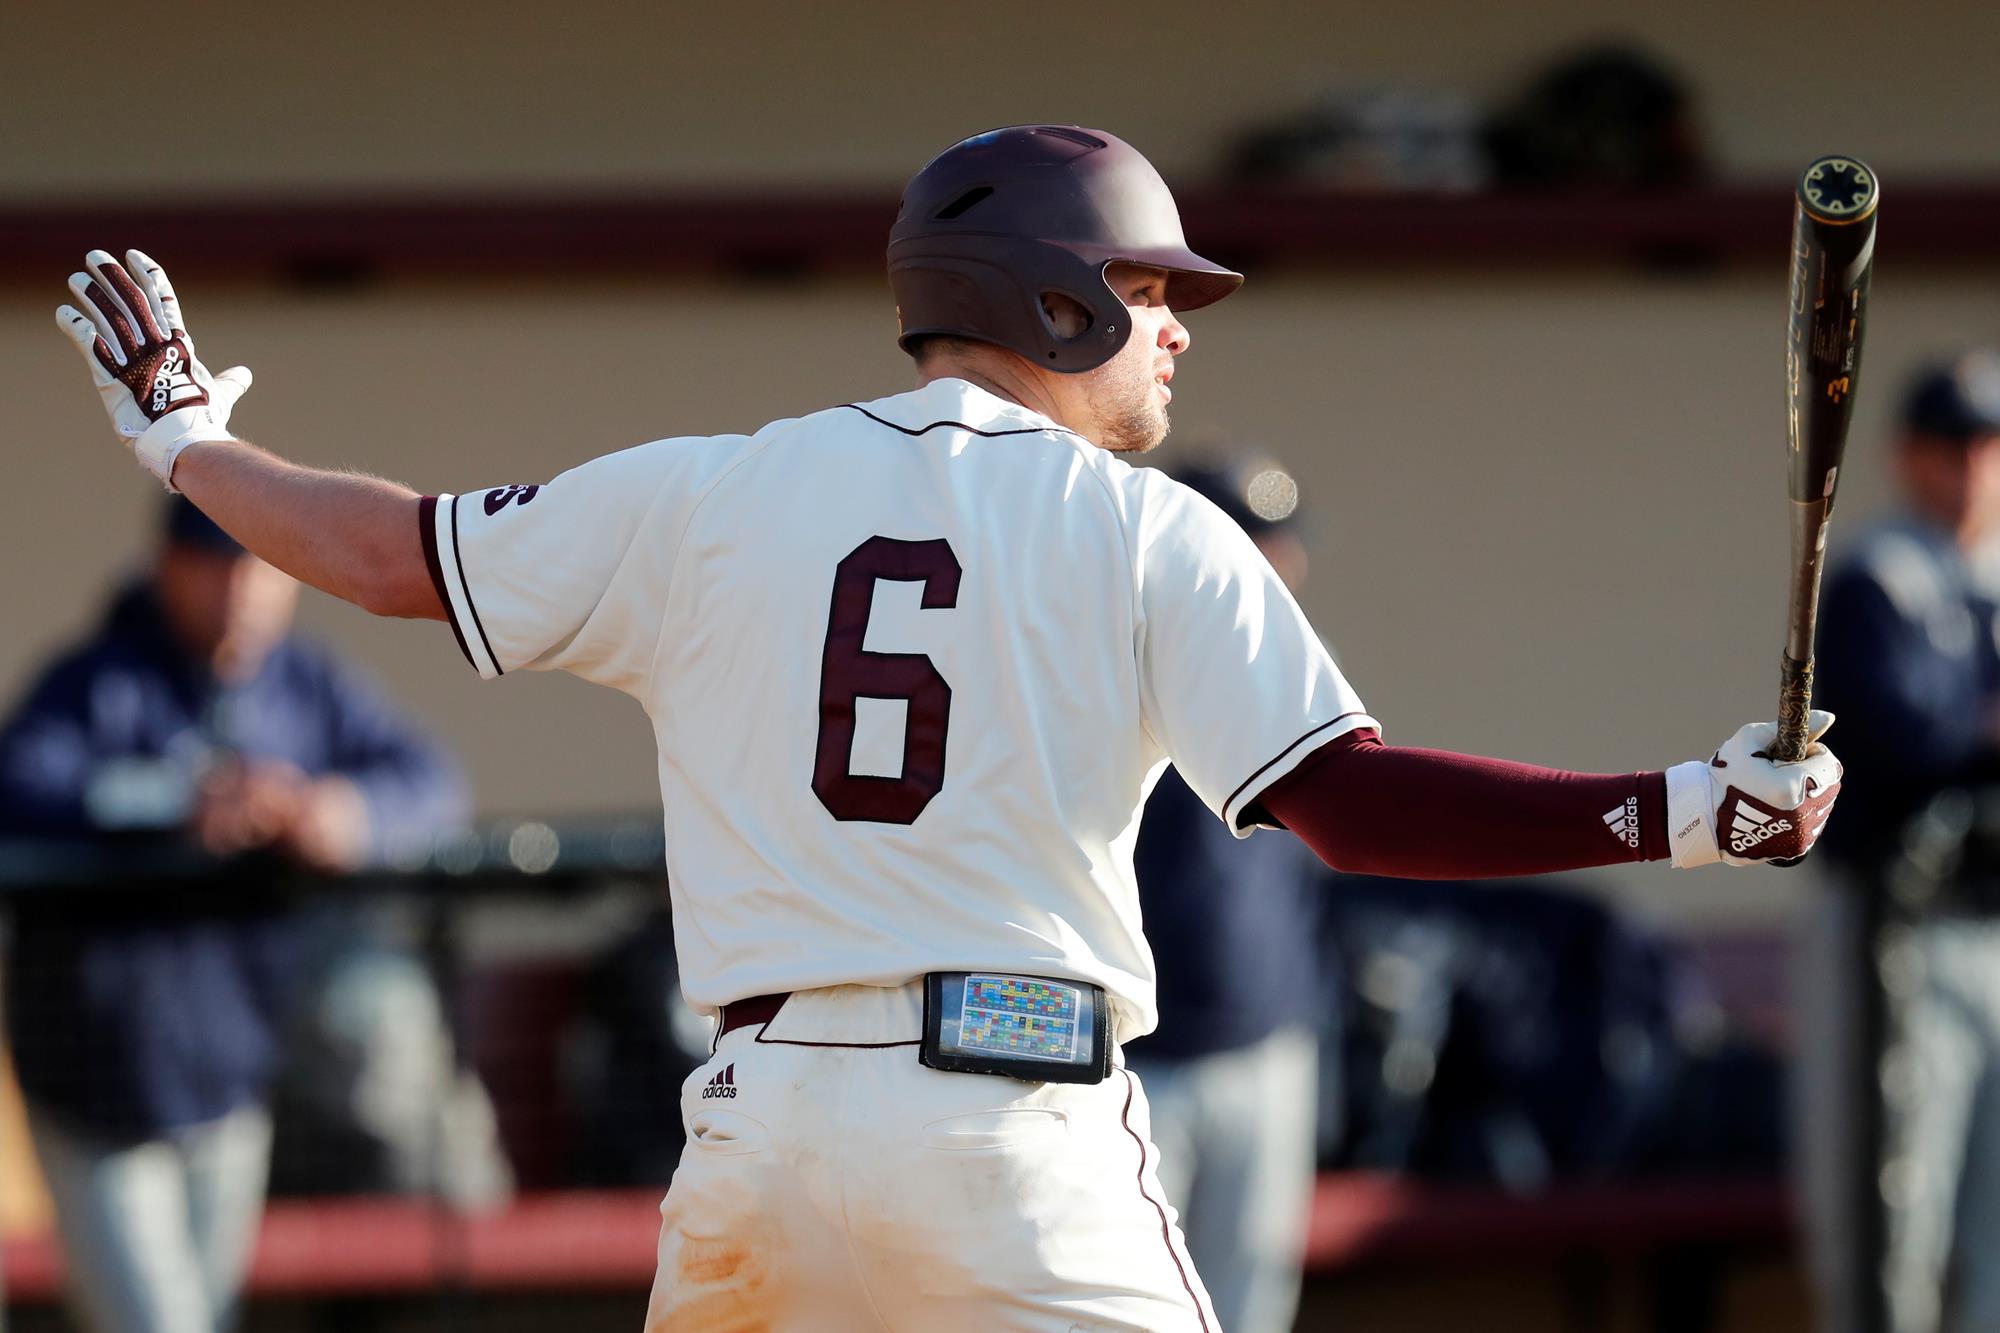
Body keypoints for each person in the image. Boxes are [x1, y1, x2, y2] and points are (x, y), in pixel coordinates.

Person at [52, 125, 1842, 1332]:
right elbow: (1354, 808)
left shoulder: (711, 492)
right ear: (1054, 292)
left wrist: (182, 438)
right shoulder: (1145, 526)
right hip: (1014, 1131)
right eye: (1152, 294)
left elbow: (378, 552)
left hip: (762, 1131)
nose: (1176, 336)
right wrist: (1688, 809)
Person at [0, 499, 468, 1333]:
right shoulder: (97, 682)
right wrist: (174, 802)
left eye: (263, 568)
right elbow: (21, 789)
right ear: (168, 564)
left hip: (231, 1075)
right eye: (219, 564)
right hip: (97, 1080)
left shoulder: (304, 683)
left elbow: (430, 784)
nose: (244, 591)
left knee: (204, 1318)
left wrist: (345, 813)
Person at [1798, 352, 2000, 1333]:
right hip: (1896, 930)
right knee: (1889, 1215)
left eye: (1986, 444)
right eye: (1949, 444)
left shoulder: (1988, 575)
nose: (1969, 467)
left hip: (1991, 923)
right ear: (1905, 456)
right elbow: (1883, 735)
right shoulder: (1877, 575)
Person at [1125, 455, 1327, 1333]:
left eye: (1278, 544)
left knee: (1251, 1308)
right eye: (1249, 542)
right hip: (1133, 1060)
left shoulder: (1292, 669)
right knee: (1132, 1309)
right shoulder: (1123, 655)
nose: (1272, 564)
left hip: (1266, 1045)